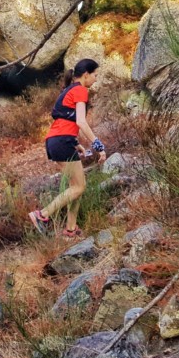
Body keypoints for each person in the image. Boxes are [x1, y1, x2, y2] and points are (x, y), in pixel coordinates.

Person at [28, 59, 106, 238]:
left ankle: (71, 229)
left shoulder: (68, 90)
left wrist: (76, 143)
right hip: (61, 141)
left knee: (76, 186)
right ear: (86, 74)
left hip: (58, 140)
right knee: (78, 187)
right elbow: (80, 121)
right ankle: (42, 215)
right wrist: (98, 145)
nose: (95, 79)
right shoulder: (80, 90)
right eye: (95, 75)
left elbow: (65, 120)